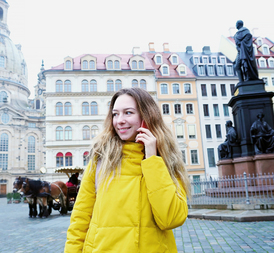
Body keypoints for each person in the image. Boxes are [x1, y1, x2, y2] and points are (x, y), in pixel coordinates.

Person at [64, 87, 190, 252]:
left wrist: (152, 160)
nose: (119, 120)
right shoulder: (101, 157)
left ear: (147, 116)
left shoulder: (167, 159)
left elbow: (171, 219)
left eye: (128, 112)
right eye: (115, 114)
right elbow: (80, 218)